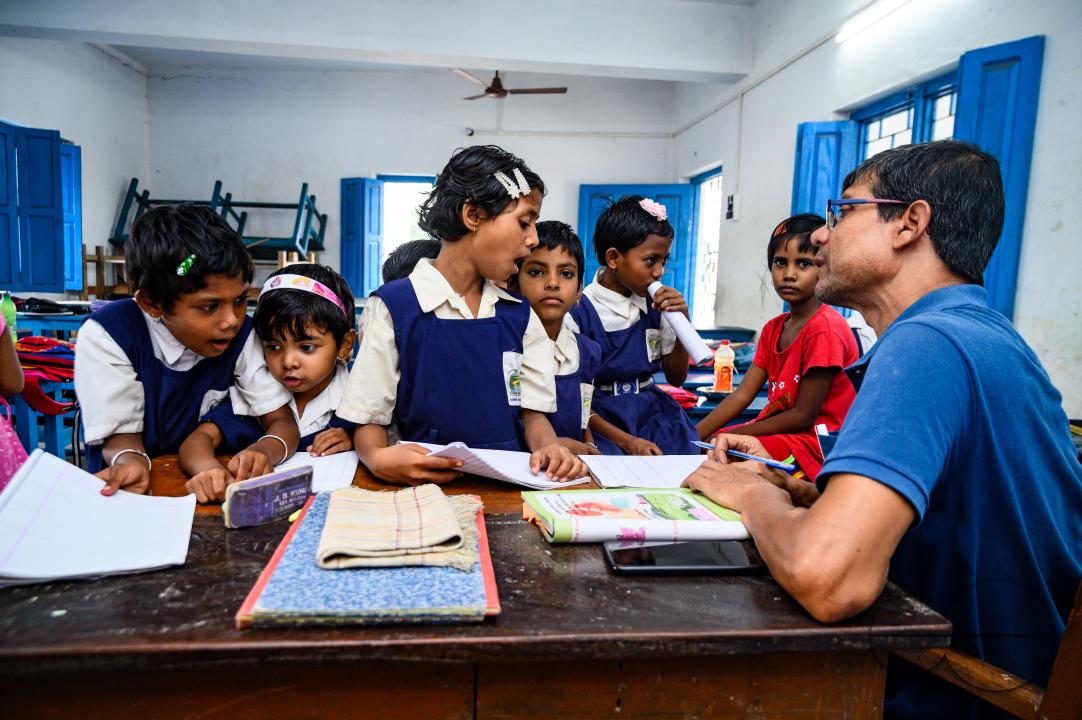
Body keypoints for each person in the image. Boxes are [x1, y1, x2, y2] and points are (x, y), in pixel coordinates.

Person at [688, 140, 1082, 720]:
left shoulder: (928, 346)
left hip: (960, 695)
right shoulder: (982, 334)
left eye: (844, 211)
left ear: (911, 223)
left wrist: (747, 494)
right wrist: (807, 497)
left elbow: (829, 579)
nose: (822, 235)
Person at [337, 145, 587, 485]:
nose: (533, 239)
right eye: (525, 222)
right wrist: (378, 458)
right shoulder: (395, 307)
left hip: (509, 486)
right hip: (423, 488)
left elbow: (533, 415)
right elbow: (369, 417)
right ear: (473, 216)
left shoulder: (518, 315)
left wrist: (549, 447)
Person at [73, 204, 298, 496]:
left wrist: (263, 452)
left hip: (215, 488)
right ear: (153, 303)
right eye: (209, 306)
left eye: (241, 300)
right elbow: (121, 440)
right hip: (136, 495)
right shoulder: (110, 335)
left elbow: (281, 422)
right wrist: (131, 461)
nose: (231, 320)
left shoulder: (243, 335)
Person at [695, 214, 858, 481]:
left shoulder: (824, 329)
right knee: (713, 451)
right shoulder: (773, 328)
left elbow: (803, 416)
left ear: (822, 265)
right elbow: (741, 396)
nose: (789, 274)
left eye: (803, 264)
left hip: (818, 446)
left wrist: (736, 434)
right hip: (785, 437)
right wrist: (694, 436)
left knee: (725, 457)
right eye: (780, 263)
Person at [180, 263, 357, 503]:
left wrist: (356, 442)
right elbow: (197, 441)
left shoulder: (357, 401)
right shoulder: (255, 395)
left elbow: (390, 439)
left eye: (306, 347)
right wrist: (209, 469)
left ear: (345, 344)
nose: (288, 361)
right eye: (273, 347)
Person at [570, 195, 698, 456]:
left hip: (654, 414)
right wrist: (626, 442)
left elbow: (677, 377)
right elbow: (575, 397)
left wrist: (682, 321)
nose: (659, 271)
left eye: (664, 260)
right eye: (651, 260)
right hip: (601, 420)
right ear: (614, 258)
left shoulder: (657, 306)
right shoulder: (580, 310)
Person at [510, 220, 601, 456]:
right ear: (514, 283)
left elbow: (584, 411)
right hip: (525, 465)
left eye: (566, 274)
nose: (552, 283)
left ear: (580, 289)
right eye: (536, 272)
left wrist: (590, 446)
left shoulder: (587, 351)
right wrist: (556, 445)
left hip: (572, 470)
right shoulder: (507, 348)